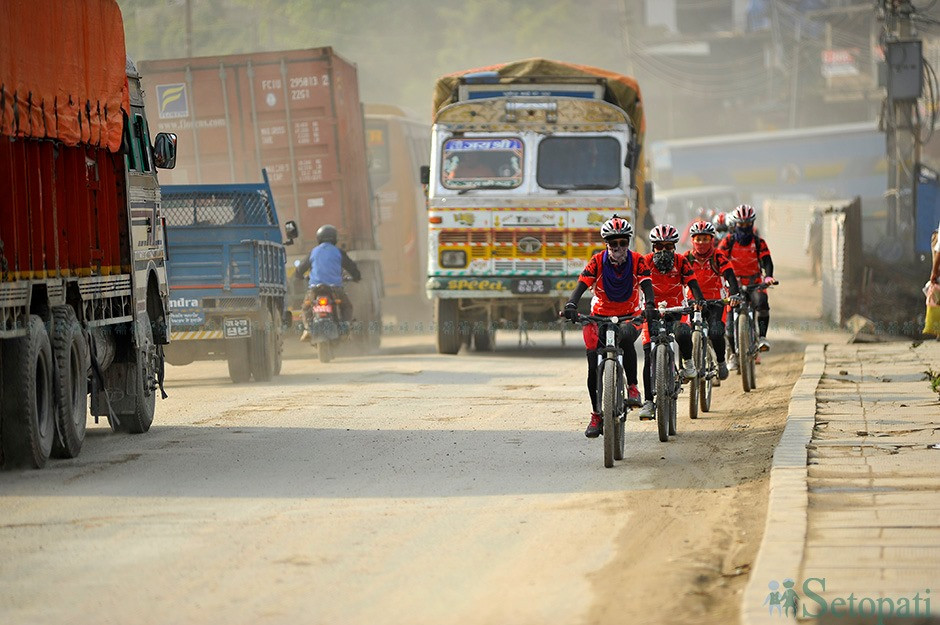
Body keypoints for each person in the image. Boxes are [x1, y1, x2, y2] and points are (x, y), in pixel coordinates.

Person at [563, 215, 654, 438]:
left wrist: (650, 303)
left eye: (623, 242)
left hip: (630, 315)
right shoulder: (596, 261)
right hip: (600, 317)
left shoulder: (638, 260)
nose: (618, 247)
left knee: (625, 336)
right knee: (593, 365)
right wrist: (572, 303)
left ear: (628, 243)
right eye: (613, 243)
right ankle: (596, 414)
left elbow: (646, 284)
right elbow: (582, 284)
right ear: (607, 244)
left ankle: (632, 387)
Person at [637, 224, 706, 420]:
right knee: (648, 357)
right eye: (660, 247)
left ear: (674, 247)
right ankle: (649, 402)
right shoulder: (645, 262)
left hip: (676, 310)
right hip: (651, 311)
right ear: (653, 247)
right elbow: (636, 285)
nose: (664, 251)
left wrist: (699, 300)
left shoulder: (682, 261)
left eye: (668, 247)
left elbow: (692, 282)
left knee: (684, 332)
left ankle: (689, 363)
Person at [718, 204, 775, 369]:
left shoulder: (758, 242)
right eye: (740, 224)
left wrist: (768, 276)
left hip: (754, 282)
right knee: (728, 324)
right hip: (733, 284)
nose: (744, 228)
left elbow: (767, 261)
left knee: (762, 302)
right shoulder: (727, 241)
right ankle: (734, 355)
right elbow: (719, 259)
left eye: (747, 224)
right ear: (735, 224)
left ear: (752, 224)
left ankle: (762, 337)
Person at [683, 220, 740, 381]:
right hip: (692, 302)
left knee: (716, 332)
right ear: (692, 240)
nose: (701, 243)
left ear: (712, 240)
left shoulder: (718, 256)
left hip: (716, 302)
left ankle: (721, 362)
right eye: (698, 239)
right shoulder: (686, 258)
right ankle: (685, 365)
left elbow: (730, 276)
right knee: (683, 333)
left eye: (705, 239)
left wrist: (734, 295)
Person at [294, 224, 361, 341]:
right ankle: (345, 328)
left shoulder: (314, 252)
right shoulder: (338, 252)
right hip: (335, 289)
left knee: (306, 307)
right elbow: (351, 267)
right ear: (334, 238)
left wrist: (300, 276)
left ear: (318, 238)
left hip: (315, 289)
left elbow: (299, 270)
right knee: (347, 306)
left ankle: (307, 329)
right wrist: (356, 277)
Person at [805, 208, 823, 284]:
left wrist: (807, 247)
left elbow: (808, 237)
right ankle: (819, 279)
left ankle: (816, 279)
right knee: (819, 263)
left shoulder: (811, 223)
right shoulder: (822, 223)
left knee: (815, 263)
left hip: (815, 246)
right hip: (819, 246)